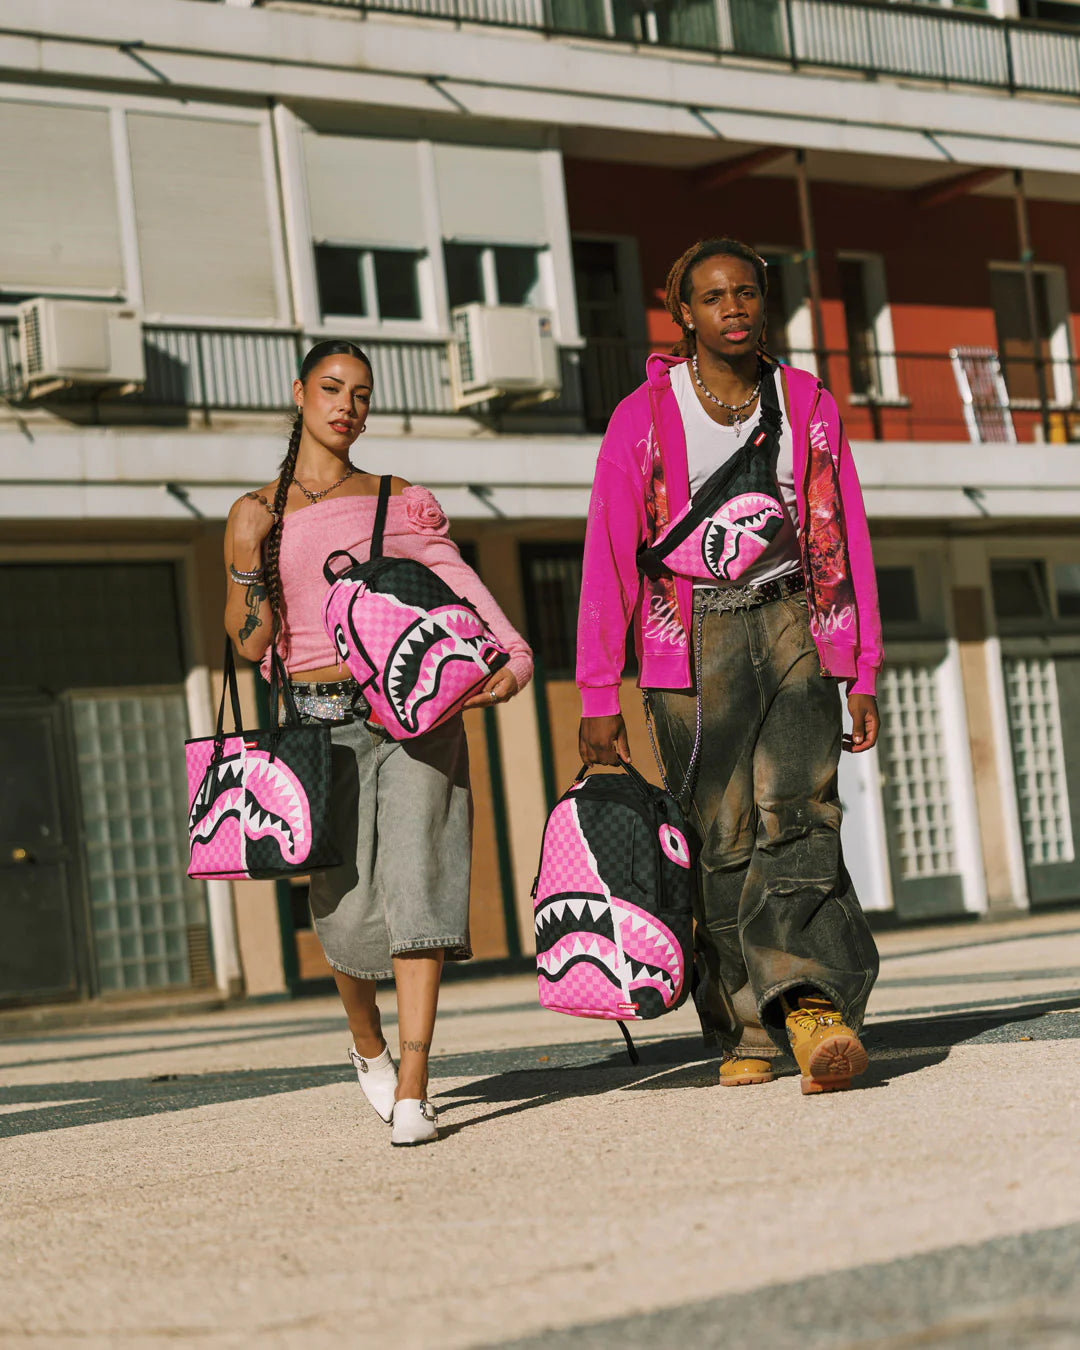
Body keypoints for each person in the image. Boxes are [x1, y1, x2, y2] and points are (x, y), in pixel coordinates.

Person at [576, 238, 883, 1095]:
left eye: (746, 293)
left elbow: (844, 535)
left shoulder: (809, 403)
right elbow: (607, 554)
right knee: (722, 838)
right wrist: (599, 688)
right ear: (685, 316)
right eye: (714, 298)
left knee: (801, 812)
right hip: (690, 640)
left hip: (792, 621)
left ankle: (810, 1001)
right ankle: (744, 1019)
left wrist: (860, 664)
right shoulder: (644, 415)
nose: (734, 309)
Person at [224, 340, 532, 1144]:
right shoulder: (258, 510)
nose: (346, 407)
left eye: (361, 394)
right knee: (346, 909)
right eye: (331, 388)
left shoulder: (399, 499)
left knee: (420, 877)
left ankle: (416, 1088)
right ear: (298, 393)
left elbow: (455, 578)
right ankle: (367, 1043)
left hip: (415, 710)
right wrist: (239, 565)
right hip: (316, 725)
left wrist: (515, 650)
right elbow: (252, 644)